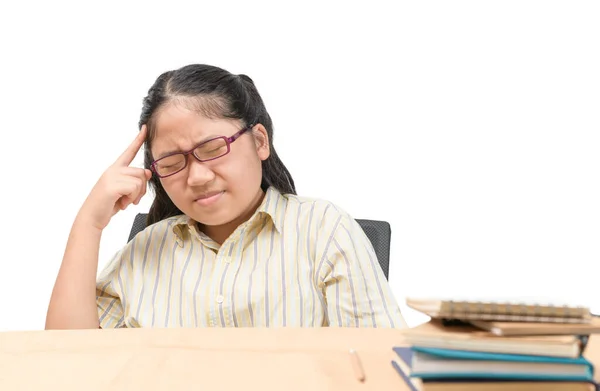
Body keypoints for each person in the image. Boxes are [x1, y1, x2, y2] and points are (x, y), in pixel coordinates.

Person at [45, 64, 406, 329]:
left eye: (213, 148)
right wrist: (89, 223)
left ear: (260, 141)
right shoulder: (146, 249)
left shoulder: (323, 230)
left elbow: (378, 366)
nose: (198, 176)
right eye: (172, 162)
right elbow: (67, 363)